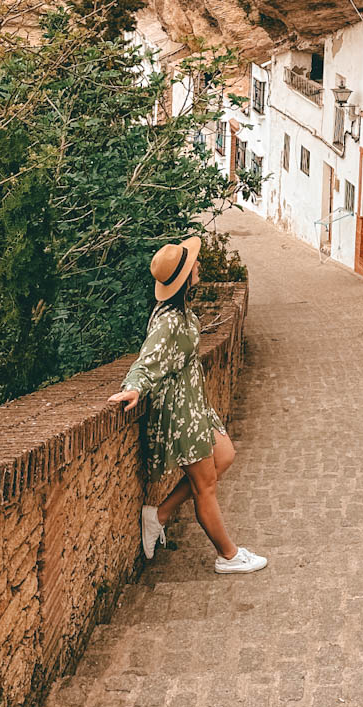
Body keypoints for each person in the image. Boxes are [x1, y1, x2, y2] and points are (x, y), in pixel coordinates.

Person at [108, 236, 266, 575]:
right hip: (181, 413)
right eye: (193, 262)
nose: (199, 265)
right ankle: (229, 555)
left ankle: (159, 515)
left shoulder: (177, 311)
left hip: (195, 405)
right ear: (184, 276)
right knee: (205, 487)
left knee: (224, 455)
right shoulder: (167, 321)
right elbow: (147, 359)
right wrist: (133, 387)